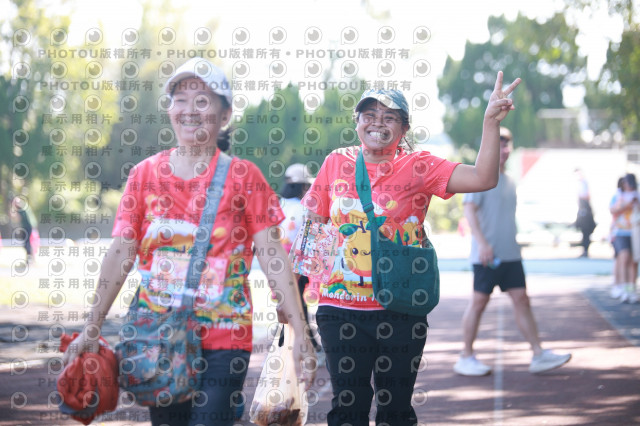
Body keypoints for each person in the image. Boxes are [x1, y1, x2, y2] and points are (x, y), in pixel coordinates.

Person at [61, 57, 315, 426]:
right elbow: (121, 253)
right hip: (157, 336)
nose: (189, 110)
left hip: (226, 336)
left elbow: (273, 257)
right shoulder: (144, 176)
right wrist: (92, 326)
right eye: (180, 99)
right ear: (169, 110)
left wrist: (300, 333)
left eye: (202, 100)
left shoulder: (245, 178)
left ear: (224, 115)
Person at [301, 71, 521, 425]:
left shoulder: (420, 166)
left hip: (401, 308)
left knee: (395, 409)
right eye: (369, 115)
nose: (377, 123)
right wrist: (297, 296)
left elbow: (484, 177)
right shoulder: (335, 163)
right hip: (339, 309)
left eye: (389, 117)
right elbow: (313, 229)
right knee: (348, 406)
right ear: (356, 122)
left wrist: (490, 122)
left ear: (404, 129)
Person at [454, 127, 572, 377]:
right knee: (479, 303)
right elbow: (469, 212)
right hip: (486, 256)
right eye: (499, 145)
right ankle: (465, 356)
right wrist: (482, 244)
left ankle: (538, 354)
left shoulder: (509, 181)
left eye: (507, 145)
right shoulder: (478, 178)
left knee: (522, 299)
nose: (504, 150)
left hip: (510, 255)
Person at [279, 163, 325, 359]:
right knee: (298, 306)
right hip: (298, 264)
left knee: (288, 304)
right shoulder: (303, 209)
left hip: (278, 265)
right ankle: (309, 347)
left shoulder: (278, 205)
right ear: (304, 187)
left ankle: (285, 346)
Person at [609, 173, 639, 303]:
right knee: (623, 257)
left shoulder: (637, 195)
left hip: (635, 232)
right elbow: (612, 210)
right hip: (620, 231)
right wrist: (626, 205)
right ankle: (621, 286)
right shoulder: (618, 195)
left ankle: (631, 289)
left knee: (633, 261)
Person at [574, 168, 596, 258]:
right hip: (582, 211)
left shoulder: (584, 184)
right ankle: (585, 249)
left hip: (585, 213)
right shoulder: (579, 184)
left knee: (586, 232)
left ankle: (586, 250)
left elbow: (587, 196)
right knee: (584, 232)